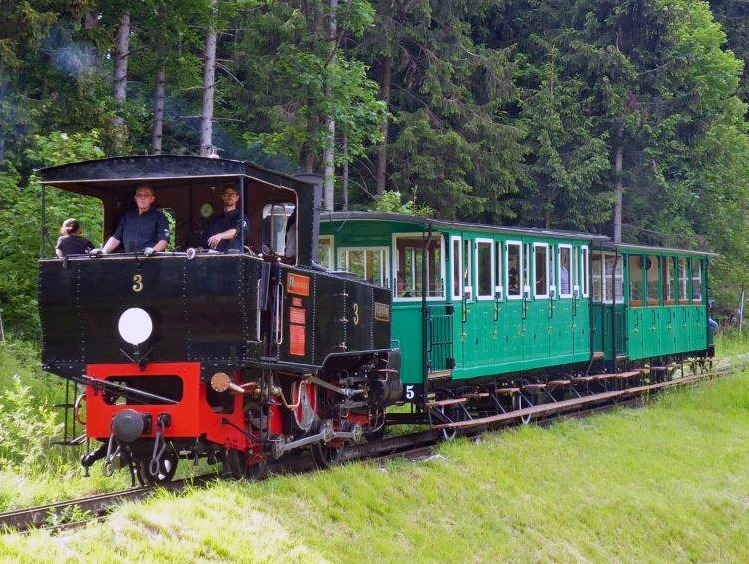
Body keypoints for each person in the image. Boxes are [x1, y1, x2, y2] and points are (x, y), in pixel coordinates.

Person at [100, 186, 169, 255]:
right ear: (135, 198)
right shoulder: (127, 216)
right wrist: (104, 251)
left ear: (152, 199)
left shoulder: (160, 217)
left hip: (150, 260)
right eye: (139, 195)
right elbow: (116, 238)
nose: (142, 198)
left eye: (146, 195)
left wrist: (153, 250)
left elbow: (163, 241)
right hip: (128, 261)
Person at [203, 185, 248, 252]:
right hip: (214, 258)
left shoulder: (242, 217)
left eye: (233, 194)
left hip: (233, 259)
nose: (230, 196)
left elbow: (235, 231)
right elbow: (205, 238)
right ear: (223, 197)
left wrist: (220, 236)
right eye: (227, 193)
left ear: (237, 198)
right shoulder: (215, 220)